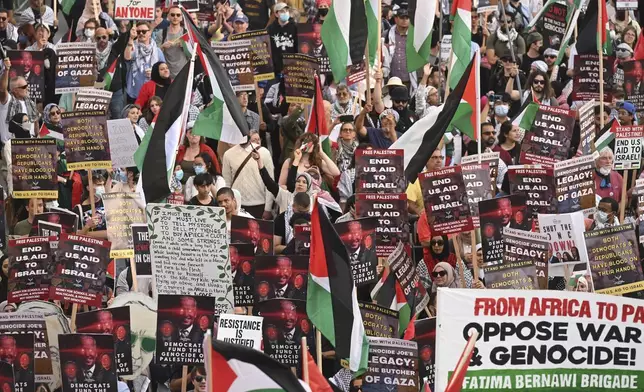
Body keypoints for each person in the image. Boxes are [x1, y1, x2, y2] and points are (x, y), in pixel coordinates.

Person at [222, 138, 274, 219]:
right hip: (237, 205)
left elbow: (270, 182)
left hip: (259, 204)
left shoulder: (264, 152)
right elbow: (226, 182)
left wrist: (268, 208)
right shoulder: (228, 154)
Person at [124, 21, 165, 103]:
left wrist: (154, 72)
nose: (141, 33)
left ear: (149, 33)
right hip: (135, 91)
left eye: (144, 31)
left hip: (152, 92)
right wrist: (131, 38)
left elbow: (164, 71)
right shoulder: (133, 47)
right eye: (138, 32)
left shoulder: (157, 51)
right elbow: (127, 57)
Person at [383, 7, 417, 90]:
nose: (405, 20)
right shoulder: (387, 34)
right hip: (391, 80)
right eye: (402, 18)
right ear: (396, 19)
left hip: (409, 79)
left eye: (407, 18)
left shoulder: (415, 35)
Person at [406, 149, 443, 215]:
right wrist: (420, 212)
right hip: (427, 221)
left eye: (441, 157)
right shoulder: (417, 180)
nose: (439, 161)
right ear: (426, 161)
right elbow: (410, 203)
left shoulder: (450, 176)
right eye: (434, 158)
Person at [156, 6, 189, 79]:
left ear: (181, 17)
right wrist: (162, 46)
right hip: (165, 76)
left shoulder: (187, 34)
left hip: (183, 75)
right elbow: (155, 55)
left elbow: (193, 55)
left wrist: (186, 47)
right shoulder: (161, 33)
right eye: (172, 14)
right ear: (168, 16)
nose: (175, 17)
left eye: (178, 15)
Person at [74, 171, 107, 239]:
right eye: (98, 185)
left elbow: (112, 233)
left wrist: (89, 234)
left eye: (102, 185)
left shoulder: (106, 204)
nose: (102, 187)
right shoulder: (79, 209)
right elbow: (76, 235)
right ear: (88, 188)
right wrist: (87, 226)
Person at [267, 2, 298, 73]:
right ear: (276, 14)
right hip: (276, 68)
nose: (285, 13)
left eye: (287, 11)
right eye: (282, 11)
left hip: (293, 68)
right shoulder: (270, 29)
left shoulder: (295, 27)